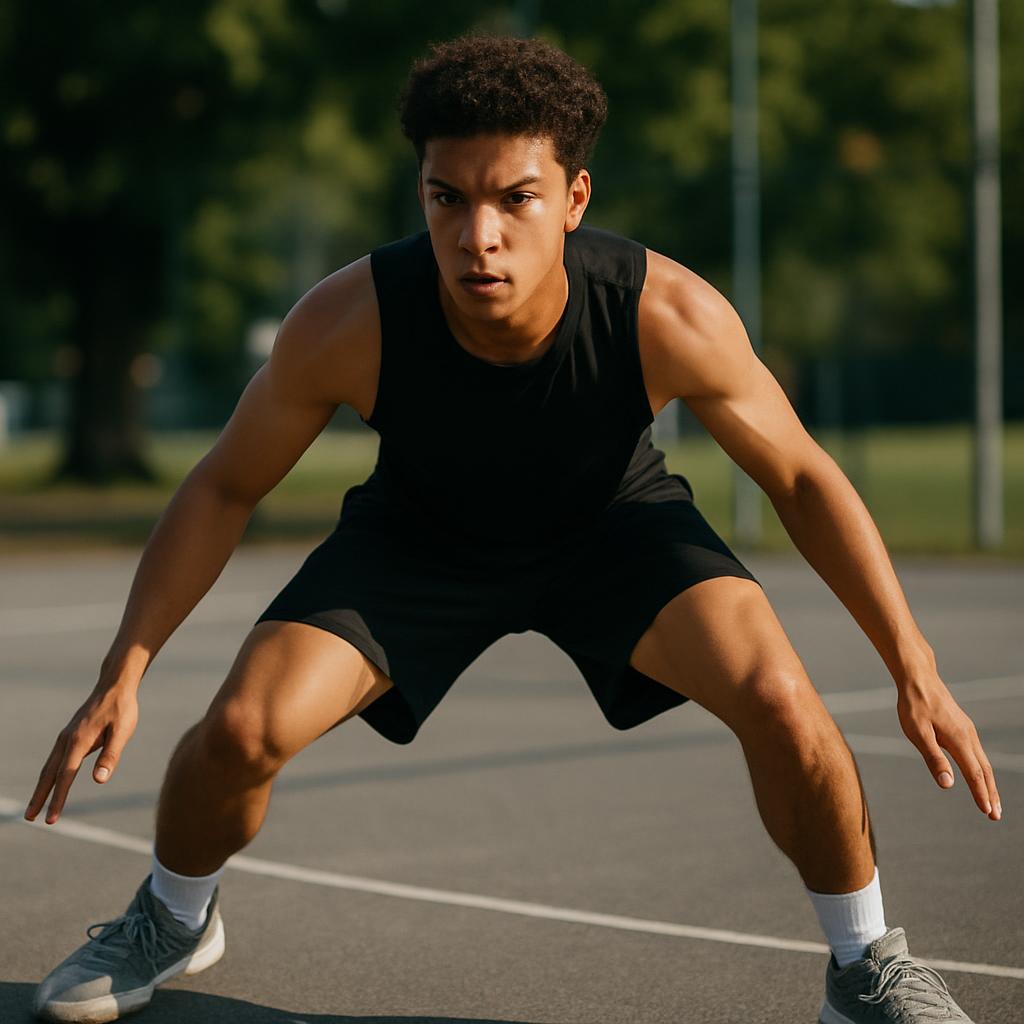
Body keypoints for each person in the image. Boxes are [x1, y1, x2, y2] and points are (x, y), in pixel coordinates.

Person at [27, 34, 999, 1024]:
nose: (478, 234)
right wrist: (128, 665)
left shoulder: (662, 311)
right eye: (448, 198)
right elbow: (224, 486)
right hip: (419, 537)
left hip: (614, 529)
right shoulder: (348, 320)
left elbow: (798, 475)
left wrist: (909, 662)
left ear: (574, 200)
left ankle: (863, 964)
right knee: (239, 727)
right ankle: (173, 915)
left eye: (515, 199)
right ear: (421, 196)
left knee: (784, 702)